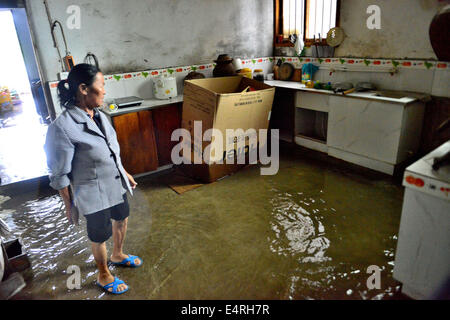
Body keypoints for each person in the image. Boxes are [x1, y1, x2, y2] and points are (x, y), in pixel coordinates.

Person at [44, 64, 142, 294]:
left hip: (114, 183)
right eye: (102, 86)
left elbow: (110, 151)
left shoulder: (100, 115)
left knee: (121, 218)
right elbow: (59, 174)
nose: (105, 91)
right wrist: (69, 205)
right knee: (99, 235)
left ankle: (117, 254)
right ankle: (103, 274)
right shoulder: (62, 128)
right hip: (92, 192)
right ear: (84, 89)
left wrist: (124, 173)